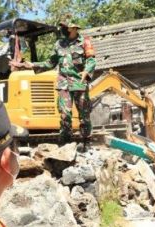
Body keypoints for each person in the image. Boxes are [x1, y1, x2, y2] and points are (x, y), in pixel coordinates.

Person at [16, 19, 96, 148]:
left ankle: (87, 142)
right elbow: (50, 63)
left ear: (74, 28)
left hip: (79, 83)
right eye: (62, 27)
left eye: (66, 27)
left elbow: (91, 60)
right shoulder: (59, 44)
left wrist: (86, 71)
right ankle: (65, 144)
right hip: (63, 83)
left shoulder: (85, 42)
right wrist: (32, 65)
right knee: (65, 115)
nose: (62, 29)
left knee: (84, 115)